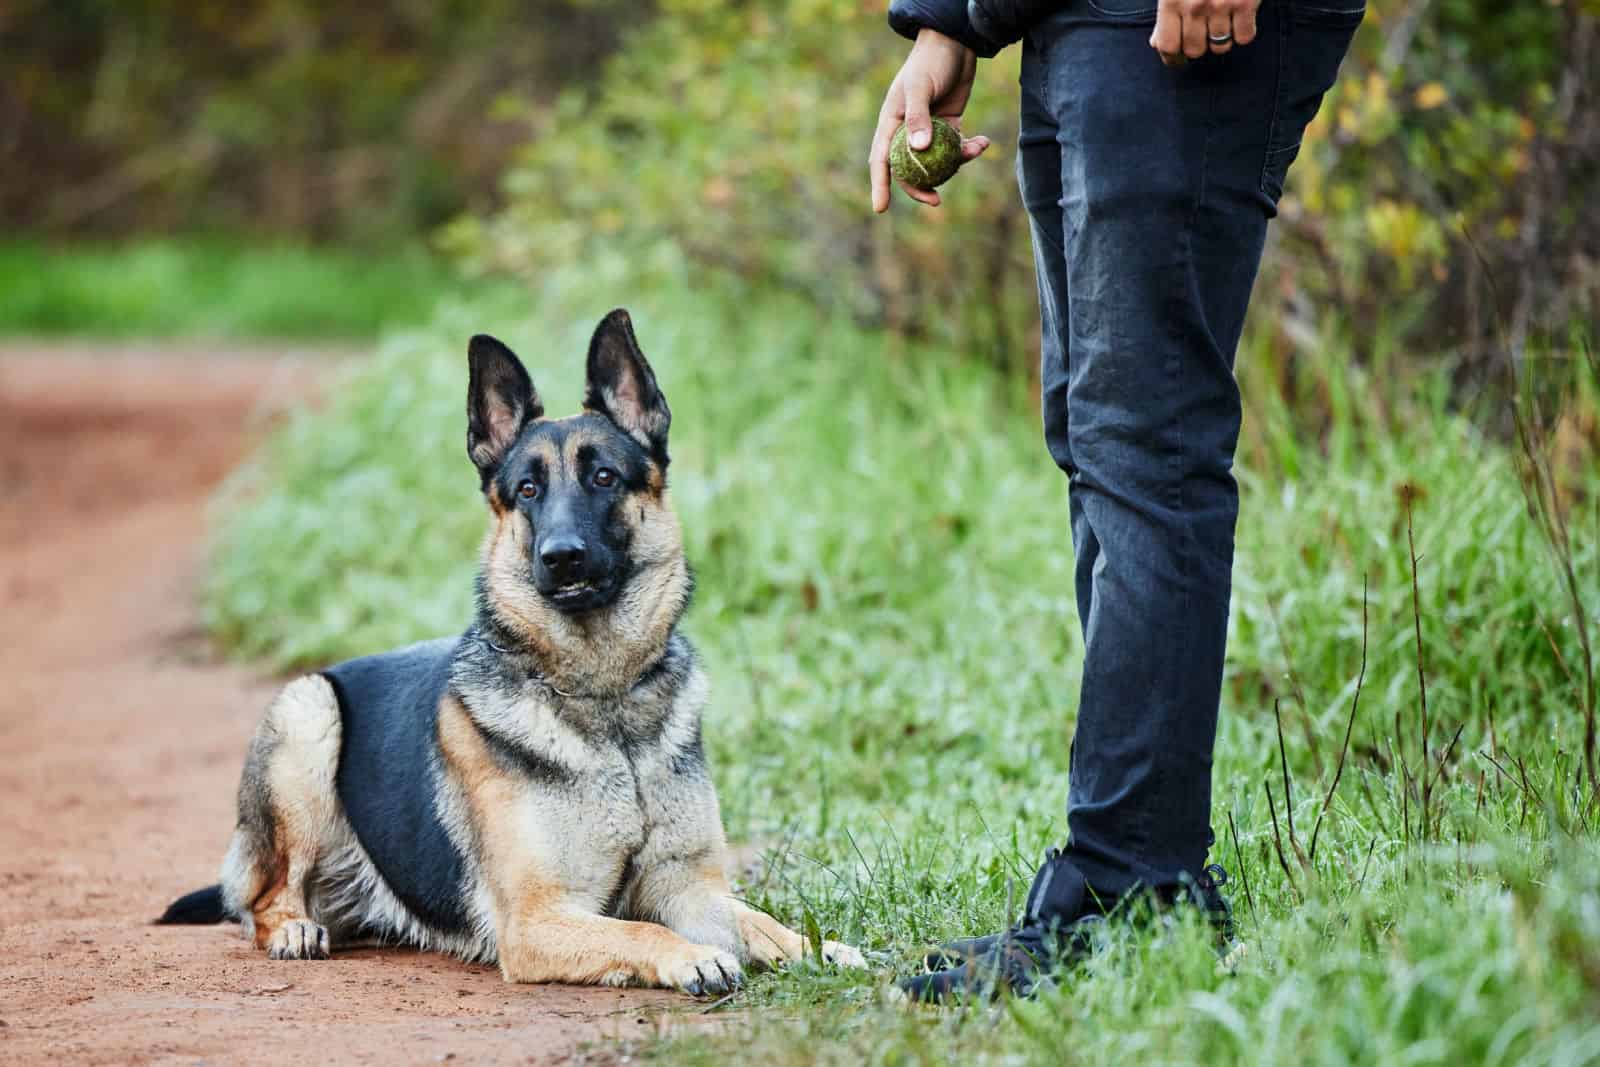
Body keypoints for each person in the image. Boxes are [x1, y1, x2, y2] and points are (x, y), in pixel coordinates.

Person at [868, 0, 1364, 1001]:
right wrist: (949, 24)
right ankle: (1142, 877)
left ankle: (1130, 885)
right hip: (1072, 19)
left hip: (1180, 23)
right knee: (1098, 437)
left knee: (1145, 443)